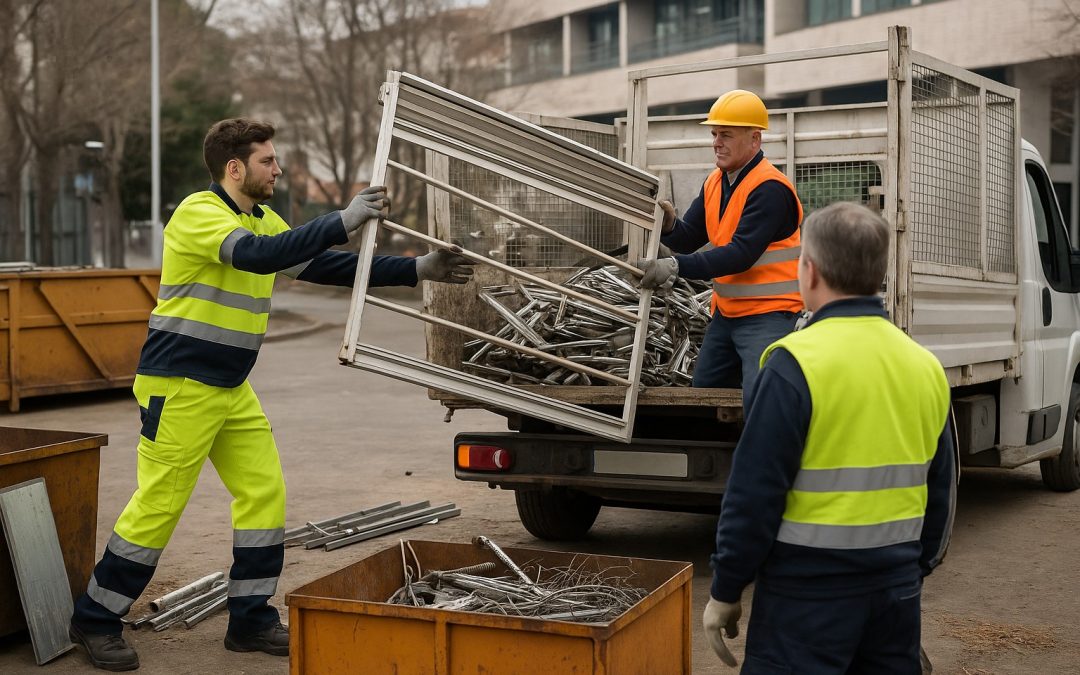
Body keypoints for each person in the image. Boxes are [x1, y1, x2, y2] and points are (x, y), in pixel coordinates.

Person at [67, 118, 474, 671]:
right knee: (159, 505)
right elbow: (258, 256)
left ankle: (250, 619)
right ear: (234, 168)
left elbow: (319, 263)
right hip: (180, 384)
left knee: (264, 496)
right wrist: (341, 219)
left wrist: (415, 268)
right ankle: (95, 619)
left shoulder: (261, 218)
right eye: (268, 161)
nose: (277, 169)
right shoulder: (198, 213)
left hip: (230, 387)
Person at [701, 201, 957, 673]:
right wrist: (910, 572)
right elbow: (940, 492)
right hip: (895, 594)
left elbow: (754, 493)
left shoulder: (793, 364)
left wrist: (726, 588)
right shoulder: (924, 366)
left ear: (811, 272)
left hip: (806, 597)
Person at [635, 89, 803, 394]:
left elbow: (740, 254)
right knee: (706, 393)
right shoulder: (715, 181)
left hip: (770, 315)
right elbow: (689, 238)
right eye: (714, 134)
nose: (716, 142)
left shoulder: (770, 189)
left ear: (755, 139)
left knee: (761, 396)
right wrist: (670, 225)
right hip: (728, 314)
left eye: (725, 134)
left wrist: (674, 266)